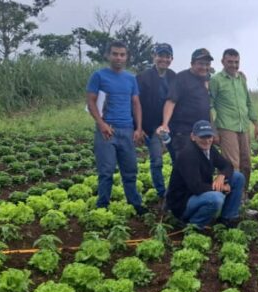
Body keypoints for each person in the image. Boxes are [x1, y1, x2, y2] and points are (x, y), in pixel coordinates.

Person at [85, 40, 145, 215]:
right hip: (107, 131)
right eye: (115, 54)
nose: (118, 58)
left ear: (126, 57)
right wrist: (101, 124)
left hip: (127, 130)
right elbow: (91, 101)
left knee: (130, 170)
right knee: (106, 171)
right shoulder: (99, 76)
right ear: (108, 55)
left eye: (122, 54)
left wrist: (138, 128)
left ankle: (135, 203)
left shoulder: (131, 78)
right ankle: (102, 205)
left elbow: (136, 104)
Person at [164, 120, 245, 229]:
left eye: (209, 137)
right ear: (193, 137)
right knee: (216, 198)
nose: (207, 141)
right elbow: (196, 187)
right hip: (183, 202)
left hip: (198, 192)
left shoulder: (209, 149)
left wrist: (222, 176)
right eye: (202, 137)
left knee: (238, 177)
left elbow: (227, 165)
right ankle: (194, 225)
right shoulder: (188, 155)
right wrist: (221, 188)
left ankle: (226, 218)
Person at [210, 48, 258, 189]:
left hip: (243, 126)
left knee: (246, 163)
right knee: (232, 164)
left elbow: (248, 102)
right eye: (230, 62)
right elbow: (209, 105)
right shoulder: (216, 80)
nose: (233, 65)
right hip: (226, 127)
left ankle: (243, 196)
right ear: (223, 62)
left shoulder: (241, 79)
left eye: (236, 62)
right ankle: (232, 197)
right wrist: (213, 131)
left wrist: (256, 124)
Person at [136, 43, 177, 199]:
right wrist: (138, 127)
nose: (164, 59)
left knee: (177, 160)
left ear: (171, 59)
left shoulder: (174, 77)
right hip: (151, 127)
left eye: (167, 56)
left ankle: (175, 189)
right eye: (161, 55)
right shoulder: (143, 77)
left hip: (170, 127)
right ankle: (162, 193)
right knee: (156, 161)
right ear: (154, 56)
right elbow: (135, 103)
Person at [157, 48, 213, 160]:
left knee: (202, 166)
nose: (204, 67)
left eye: (207, 64)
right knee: (183, 165)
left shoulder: (206, 79)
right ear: (192, 63)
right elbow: (171, 101)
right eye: (200, 64)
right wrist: (165, 124)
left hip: (202, 133)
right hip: (183, 133)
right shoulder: (181, 78)